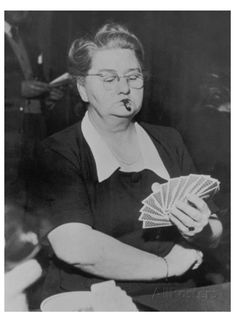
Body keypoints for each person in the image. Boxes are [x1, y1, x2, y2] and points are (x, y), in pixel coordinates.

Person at [33, 23, 223, 302]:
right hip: (92, 299)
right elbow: (75, 247)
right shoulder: (58, 151)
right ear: (83, 88)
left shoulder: (169, 140)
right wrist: (167, 266)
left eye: (133, 77)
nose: (124, 88)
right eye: (109, 79)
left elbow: (216, 230)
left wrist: (201, 230)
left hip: (175, 293)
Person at [5, 11, 64, 198]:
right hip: (7, 129)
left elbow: (36, 83)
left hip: (34, 125)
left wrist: (49, 96)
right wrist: (17, 89)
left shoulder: (28, 40)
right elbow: (19, 87)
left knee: (30, 186)